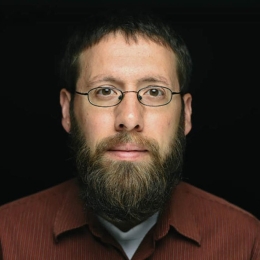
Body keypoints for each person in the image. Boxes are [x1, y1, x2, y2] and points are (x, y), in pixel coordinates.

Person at [0, 8, 260, 260]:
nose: (129, 119)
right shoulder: (6, 238)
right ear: (67, 111)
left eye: (155, 92)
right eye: (104, 91)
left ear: (187, 114)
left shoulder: (246, 242)